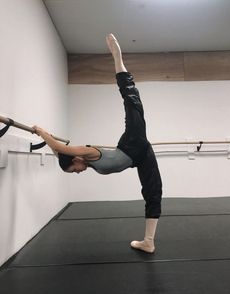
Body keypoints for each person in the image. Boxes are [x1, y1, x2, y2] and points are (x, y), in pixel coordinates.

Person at [33, 34, 162, 253]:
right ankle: (148, 241)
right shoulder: (83, 162)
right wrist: (51, 147)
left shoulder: (88, 153)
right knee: (153, 191)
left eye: (75, 170)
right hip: (139, 156)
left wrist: (42, 132)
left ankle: (117, 57)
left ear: (76, 159)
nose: (78, 172)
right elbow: (60, 154)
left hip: (133, 143)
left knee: (132, 100)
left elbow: (59, 148)